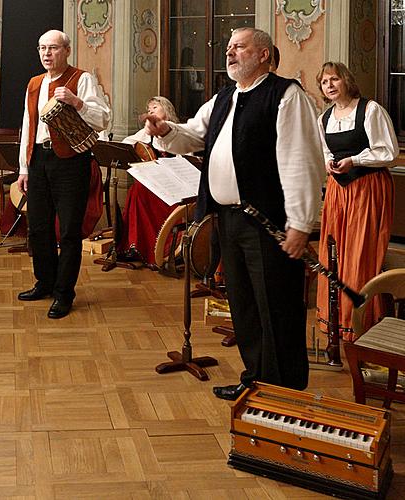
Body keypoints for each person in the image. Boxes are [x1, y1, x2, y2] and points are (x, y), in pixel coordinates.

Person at [145, 27, 323, 400]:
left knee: (275, 305)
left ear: (263, 54)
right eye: (228, 47)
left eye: (239, 47)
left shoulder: (286, 95)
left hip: (269, 222)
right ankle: (255, 380)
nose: (230, 53)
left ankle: (284, 391)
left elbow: (300, 162)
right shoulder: (223, 98)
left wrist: (301, 224)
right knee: (243, 304)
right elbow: (193, 135)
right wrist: (165, 131)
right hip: (228, 220)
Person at [16, 29, 110, 319]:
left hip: (71, 161)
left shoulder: (81, 79)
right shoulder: (33, 83)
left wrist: (76, 101)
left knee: (69, 231)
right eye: (42, 48)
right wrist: (24, 167)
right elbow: (27, 127)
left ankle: (63, 293)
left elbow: (104, 118)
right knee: (39, 228)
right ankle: (44, 282)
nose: (47, 54)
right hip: (39, 160)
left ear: (66, 51)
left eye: (53, 48)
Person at [315, 62, 398, 341]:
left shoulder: (370, 110)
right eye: (324, 81)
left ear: (346, 81)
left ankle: (362, 320)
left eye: (334, 79)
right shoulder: (325, 118)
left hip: (367, 187)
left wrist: (355, 160)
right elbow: (325, 150)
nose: (329, 85)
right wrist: (330, 163)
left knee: (361, 252)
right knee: (334, 251)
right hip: (339, 191)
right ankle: (336, 320)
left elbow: (389, 152)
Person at [119, 96, 180, 265]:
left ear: (166, 110)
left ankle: (165, 250)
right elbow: (126, 143)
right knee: (138, 189)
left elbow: (187, 161)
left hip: (174, 186)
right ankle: (136, 246)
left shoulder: (178, 131)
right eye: (149, 109)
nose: (150, 111)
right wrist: (144, 137)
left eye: (155, 107)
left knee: (140, 189)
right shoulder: (146, 133)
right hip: (154, 184)